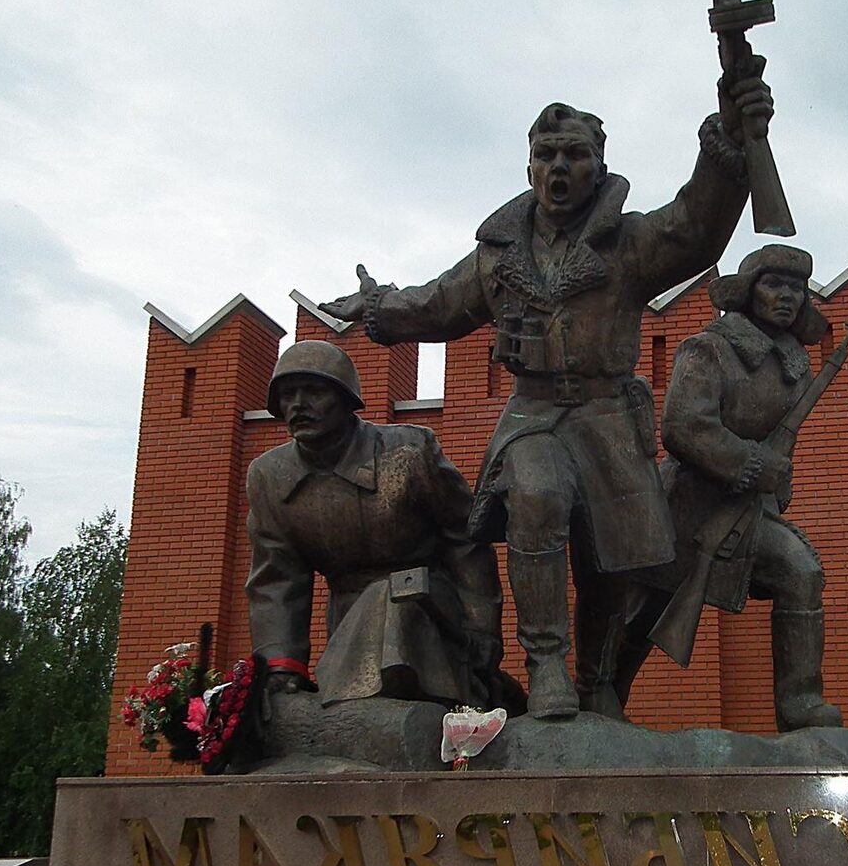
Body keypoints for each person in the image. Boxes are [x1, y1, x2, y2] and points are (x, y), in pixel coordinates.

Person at [320, 66, 775, 718]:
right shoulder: (499, 252)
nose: (559, 167)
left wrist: (729, 141)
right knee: (536, 495)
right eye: (546, 154)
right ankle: (546, 665)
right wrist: (381, 308)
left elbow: (696, 229)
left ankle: (596, 678)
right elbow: (441, 304)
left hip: (608, 416)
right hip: (534, 415)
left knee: (611, 563)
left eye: (575, 155)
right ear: (529, 165)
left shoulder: (630, 243)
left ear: (599, 164)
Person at [612, 243, 842, 731]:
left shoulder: (794, 365)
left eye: (797, 288)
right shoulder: (709, 348)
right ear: (748, 291)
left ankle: (800, 705)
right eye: (773, 284)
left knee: (799, 570)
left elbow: (783, 439)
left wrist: (776, 488)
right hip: (683, 510)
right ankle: (602, 697)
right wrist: (758, 465)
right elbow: (684, 426)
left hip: (747, 511)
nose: (786, 296)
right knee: (637, 616)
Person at [246, 340, 519, 712]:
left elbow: (466, 539)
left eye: (314, 391)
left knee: (388, 599)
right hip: (348, 619)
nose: (298, 404)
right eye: (287, 394)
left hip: (429, 605)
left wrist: (481, 629)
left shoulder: (407, 451)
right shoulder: (270, 476)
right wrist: (280, 667)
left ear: (346, 400)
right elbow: (277, 578)